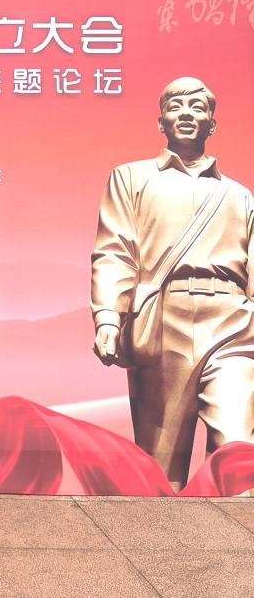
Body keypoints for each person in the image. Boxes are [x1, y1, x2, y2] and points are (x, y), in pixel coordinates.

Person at [91, 76, 254, 490]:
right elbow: (115, 251)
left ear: (211, 124)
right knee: (161, 472)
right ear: (161, 120)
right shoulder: (130, 178)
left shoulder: (240, 196)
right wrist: (108, 316)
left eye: (198, 108)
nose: (186, 114)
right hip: (164, 320)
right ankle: (161, 533)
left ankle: (234, 529)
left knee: (238, 448)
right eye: (176, 106)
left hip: (233, 324)